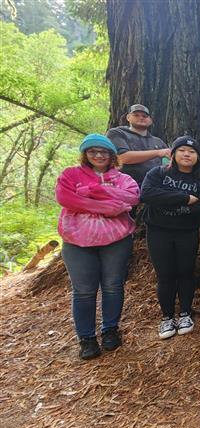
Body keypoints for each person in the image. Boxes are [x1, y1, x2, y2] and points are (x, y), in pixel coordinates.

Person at [55, 134, 139, 360]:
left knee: (113, 285)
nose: (99, 155)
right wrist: (107, 207)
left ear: (112, 155)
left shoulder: (123, 178)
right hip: (77, 241)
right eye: (93, 151)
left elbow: (131, 198)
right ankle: (87, 338)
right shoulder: (71, 174)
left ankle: (110, 330)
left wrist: (94, 191)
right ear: (85, 154)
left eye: (104, 152)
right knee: (83, 290)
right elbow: (65, 198)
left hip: (116, 239)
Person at [140, 136, 200, 339]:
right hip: (158, 231)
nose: (187, 154)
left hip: (187, 232)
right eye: (182, 150)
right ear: (173, 154)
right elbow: (147, 194)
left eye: (192, 152)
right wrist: (185, 198)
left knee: (186, 272)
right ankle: (167, 317)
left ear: (197, 157)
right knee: (165, 274)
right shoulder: (158, 173)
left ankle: (185, 313)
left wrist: (173, 204)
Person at [106, 104, 170, 186]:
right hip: (126, 186)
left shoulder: (158, 141)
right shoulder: (117, 133)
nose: (141, 118)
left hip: (154, 186)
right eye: (136, 115)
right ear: (128, 117)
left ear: (150, 120)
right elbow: (122, 158)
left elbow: (171, 161)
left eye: (144, 116)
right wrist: (158, 153)